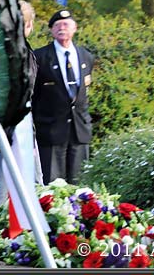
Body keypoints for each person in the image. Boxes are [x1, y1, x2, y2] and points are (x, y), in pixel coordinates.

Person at [0, 0, 42, 215]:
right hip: (3, 134)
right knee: (1, 194)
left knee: (32, 190)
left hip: (16, 132)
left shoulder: (21, 53)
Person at [32, 10, 94, 185]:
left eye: (66, 24)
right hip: (51, 131)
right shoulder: (40, 57)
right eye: (57, 25)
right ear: (51, 30)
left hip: (79, 131)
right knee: (52, 187)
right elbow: (33, 95)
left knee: (80, 186)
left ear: (75, 28)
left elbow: (84, 92)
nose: (62, 28)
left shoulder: (86, 56)